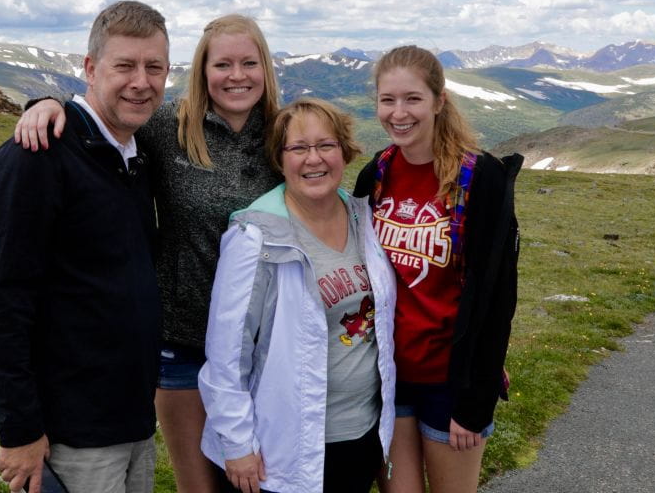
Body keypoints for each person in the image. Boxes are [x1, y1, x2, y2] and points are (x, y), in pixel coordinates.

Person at [14, 14, 284, 493]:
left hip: (262, 346)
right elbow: (104, 118)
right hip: (182, 344)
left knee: (261, 479)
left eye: (249, 63)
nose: (236, 76)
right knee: (199, 486)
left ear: (266, 67)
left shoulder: (284, 134)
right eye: (222, 64)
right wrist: (47, 104)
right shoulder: (169, 125)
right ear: (202, 72)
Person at [0, 0, 170, 493]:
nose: (141, 82)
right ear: (90, 68)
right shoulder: (36, 157)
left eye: (154, 67)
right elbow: (2, 298)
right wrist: (19, 428)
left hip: (131, 418)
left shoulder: (134, 155)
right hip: (72, 430)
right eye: (124, 66)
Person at [199, 98, 397, 493]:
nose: (314, 159)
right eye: (299, 148)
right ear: (280, 158)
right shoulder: (255, 237)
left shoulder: (363, 217)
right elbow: (227, 352)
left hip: (360, 434)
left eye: (326, 145)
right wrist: (237, 445)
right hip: (283, 450)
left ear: (344, 151)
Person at [352, 46, 521, 493]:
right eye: (388, 100)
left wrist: (476, 399)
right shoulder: (375, 174)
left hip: (452, 379)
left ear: (438, 101)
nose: (399, 113)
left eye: (413, 99)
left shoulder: (480, 178)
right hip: (389, 375)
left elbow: (497, 295)